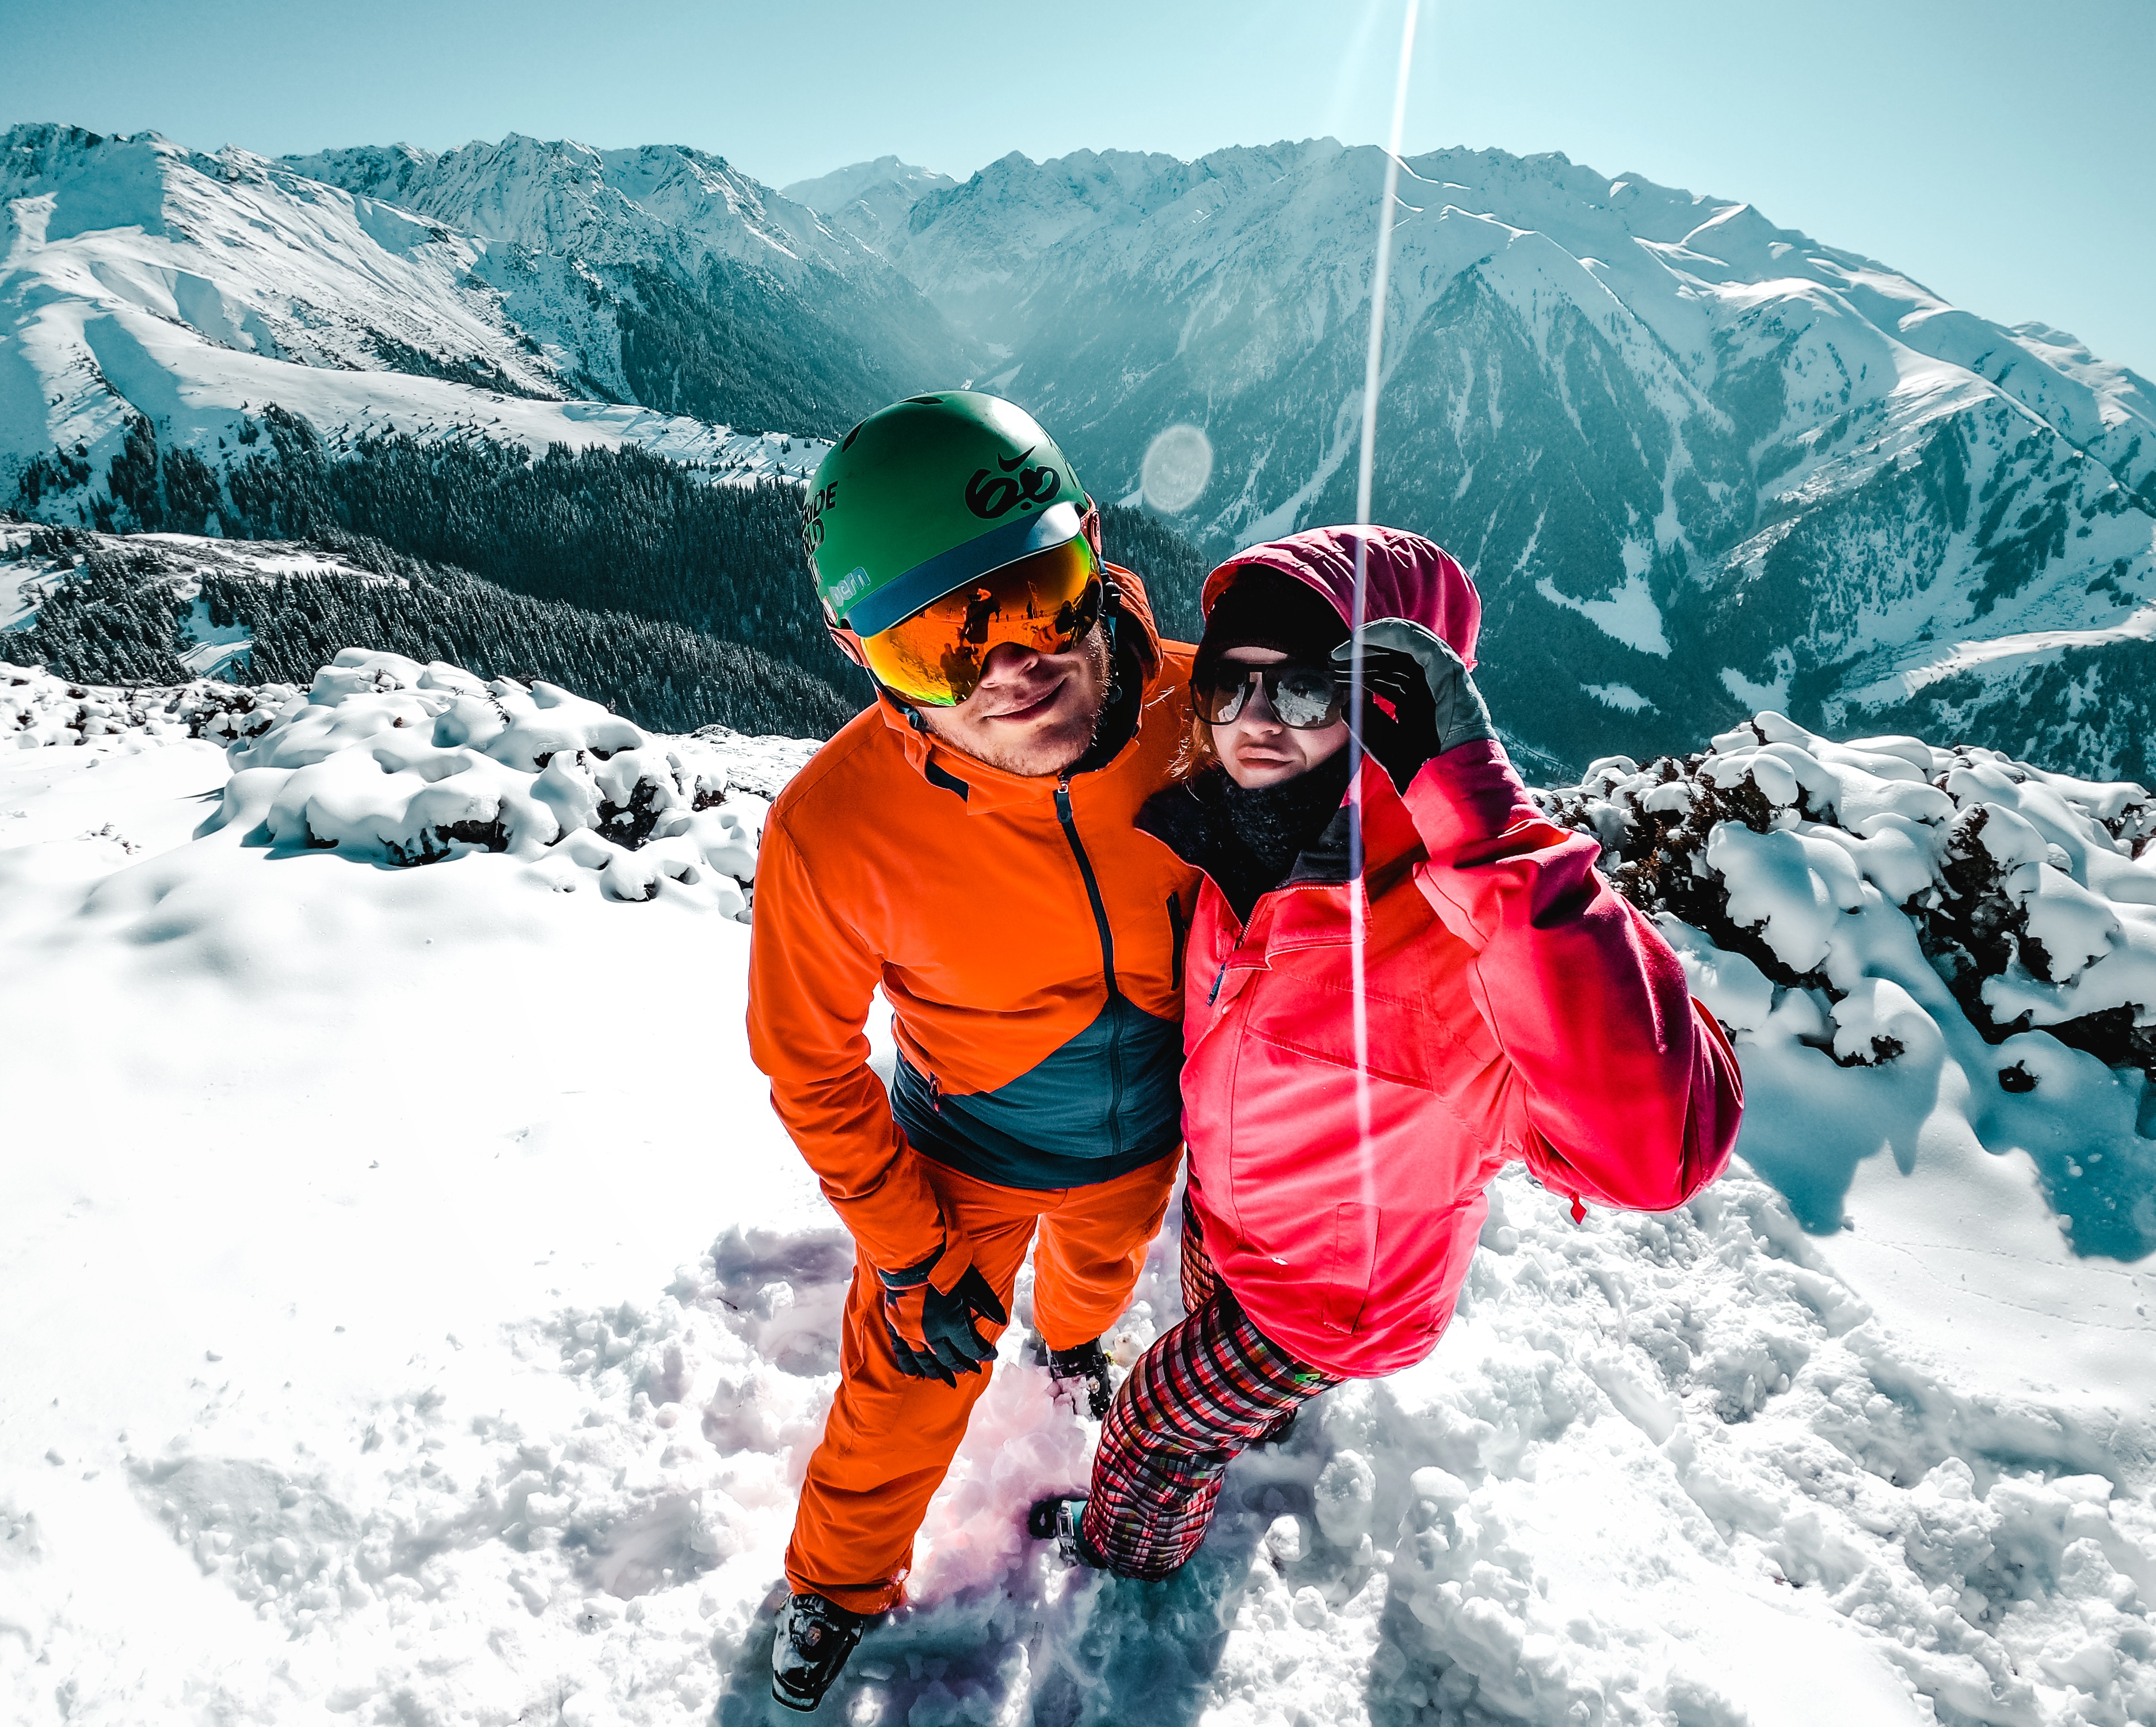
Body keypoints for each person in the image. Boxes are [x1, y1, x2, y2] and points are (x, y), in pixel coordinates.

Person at [1028, 525, 1745, 1578]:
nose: (1254, 721)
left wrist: (1493, 835)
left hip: (1333, 1302)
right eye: (1227, 685)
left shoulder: (1471, 922)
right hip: (1230, 1220)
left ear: (1393, 701)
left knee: (1152, 1428)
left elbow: (1661, 1150)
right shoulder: (1228, 832)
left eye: (1303, 689)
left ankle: (1125, 1553)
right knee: (1207, 1340)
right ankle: (1258, 1418)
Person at [747, 391, 1200, 1710]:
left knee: (1099, 1271)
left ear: (1093, 544)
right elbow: (809, 1065)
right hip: (962, 1161)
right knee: (906, 1380)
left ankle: (1071, 1348)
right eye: (937, 639)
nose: (1010, 662)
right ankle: (837, 1584)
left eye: (1036, 592)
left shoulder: (1213, 717)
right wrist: (907, 1247)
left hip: (1146, 1134)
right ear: (859, 653)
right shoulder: (834, 830)